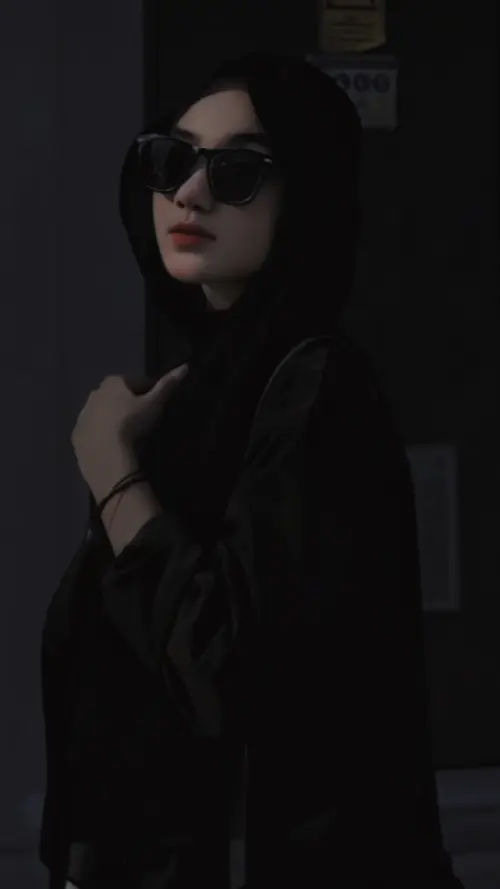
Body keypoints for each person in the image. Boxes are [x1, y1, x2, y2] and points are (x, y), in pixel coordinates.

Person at [39, 52, 465, 889]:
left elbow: (225, 674)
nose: (189, 193)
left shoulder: (316, 392)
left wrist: (115, 476)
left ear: (302, 200)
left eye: (237, 172)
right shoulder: (193, 407)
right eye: (173, 160)